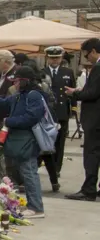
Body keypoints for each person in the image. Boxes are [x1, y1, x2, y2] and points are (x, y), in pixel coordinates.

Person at [0, 66, 46, 218]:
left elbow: (32, 117)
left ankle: (36, 208)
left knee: (29, 173)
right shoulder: (19, 95)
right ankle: (34, 206)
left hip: (28, 139)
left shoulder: (34, 95)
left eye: (16, 81)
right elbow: (3, 104)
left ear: (25, 81)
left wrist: (9, 121)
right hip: (20, 139)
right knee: (27, 172)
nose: (14, 84)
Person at [64, 38, 100, 201]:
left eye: (86, 55)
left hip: (95, 119)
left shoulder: (98, 67)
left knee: (91, 154)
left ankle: (88, 190)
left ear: (93, 51)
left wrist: (75, 93)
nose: (87, 58)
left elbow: (93, 94)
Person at [0, 50, 23, 189]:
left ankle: (16, 178)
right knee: (1, 148)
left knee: (11, 149)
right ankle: (6, 176)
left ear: (7, 62)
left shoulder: (17, 73)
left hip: (10, 115)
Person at [26, 59, 60, 192]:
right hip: (45, 121)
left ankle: (30, 181)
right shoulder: (44, 83)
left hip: (37, 121)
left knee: (36, 152)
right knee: (47, 151)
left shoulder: (34, 87)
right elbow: (52, 100)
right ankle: (54, 181)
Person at [42, 46, 75, 177]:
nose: (55, 60)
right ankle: (49, 166)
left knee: (60, 142)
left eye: (57, 58)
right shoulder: (42, 72)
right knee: (47, 141)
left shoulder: (68, 71)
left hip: (62, 112)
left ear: (61, 58)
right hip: (47, 112)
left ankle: (57, 169)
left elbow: (72, 91)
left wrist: (73, 108)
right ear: (47, 58)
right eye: (52, 58)